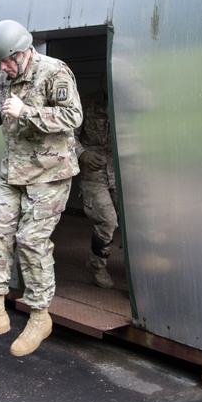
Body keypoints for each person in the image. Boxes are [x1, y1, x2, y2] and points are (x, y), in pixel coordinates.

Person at [0, 20, 83, 356]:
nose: (2, 68)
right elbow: (6, 115)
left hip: (49, 173)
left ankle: (40, 316)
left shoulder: (55, 72)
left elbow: (73, 117)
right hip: (14, 172)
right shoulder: (6, 76)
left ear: (23, 52)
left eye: (5, 61)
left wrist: (27, 111)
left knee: (31, 240)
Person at [74, 81, 118, 289]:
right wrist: (83, 154)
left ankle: (137, 269)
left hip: (121, 174)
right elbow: (68, 136)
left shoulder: (129, 103)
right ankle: (96, 266)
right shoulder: (87, 103)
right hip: (95, 175)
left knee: (137, 221)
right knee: (108, 222)